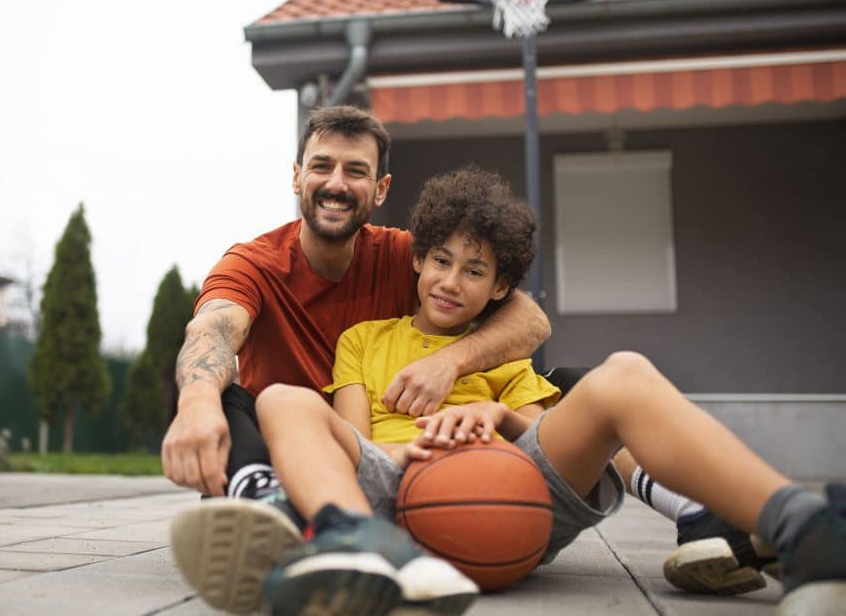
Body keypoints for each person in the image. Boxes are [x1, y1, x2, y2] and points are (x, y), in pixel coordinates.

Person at [246, 167, 841, 616]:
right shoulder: (364, 340)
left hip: (512, 491)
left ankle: (805, 531)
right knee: (280, 397)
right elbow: (354, 441)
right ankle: (357, 545)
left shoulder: (501, 356)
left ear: (501, 286)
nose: (452, 282)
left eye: (475, 271)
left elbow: (551, 441)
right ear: (418, 261)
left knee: (625, 370)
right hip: (395, 486)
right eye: (442, 262)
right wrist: (427, 452)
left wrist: (496, 415)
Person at [163, 106, 550, 613]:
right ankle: (269, 502)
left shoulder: (404, 255)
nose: (336, 183)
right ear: (298, 176)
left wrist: (451, 361)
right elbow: (212, 330)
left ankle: (307, 527)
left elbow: (531, 321)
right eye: (322, 166)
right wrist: (194, 405)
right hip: (283, 445)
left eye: (356, 171)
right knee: (229, 398)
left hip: (375, 451)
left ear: (381, 188)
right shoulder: (254, 263)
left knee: (575, 383)